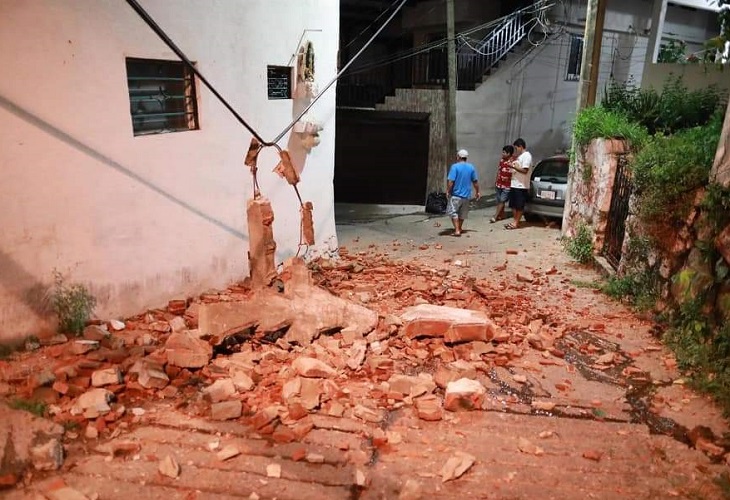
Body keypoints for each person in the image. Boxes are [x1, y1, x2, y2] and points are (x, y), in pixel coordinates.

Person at [446, 149, 480, 237]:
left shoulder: (454, 167)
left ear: (458, 157)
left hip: (456, 195)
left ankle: (457, 230)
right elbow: (475, 181)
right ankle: (459, 228)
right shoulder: (471, 167)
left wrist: (448, 190)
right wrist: (478, 192)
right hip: (467, 195)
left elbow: (451, 181)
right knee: (462, 214)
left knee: (453, 212)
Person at [505, 138, 532, 230]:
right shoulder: (520, 157)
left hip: (521, 185)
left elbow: (525, 170)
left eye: (516, 148)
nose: (516, 150)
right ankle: (516, 221)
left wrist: (513, 167)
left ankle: (516, 223)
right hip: (514, 183)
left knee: (519, 205)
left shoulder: (527, 156)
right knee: (513, 204)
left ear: (521, 147)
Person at [490, 145, 514, 223]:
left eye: (504, 152)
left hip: (507, 185)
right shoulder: (501, 161)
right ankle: (502, 214)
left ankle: (495, 216)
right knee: (499, 200)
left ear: (509, 153)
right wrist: (496, 180)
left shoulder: (513, 162)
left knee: (502, 200)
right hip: (499, 184)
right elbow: (499, 171)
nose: (502, 154)